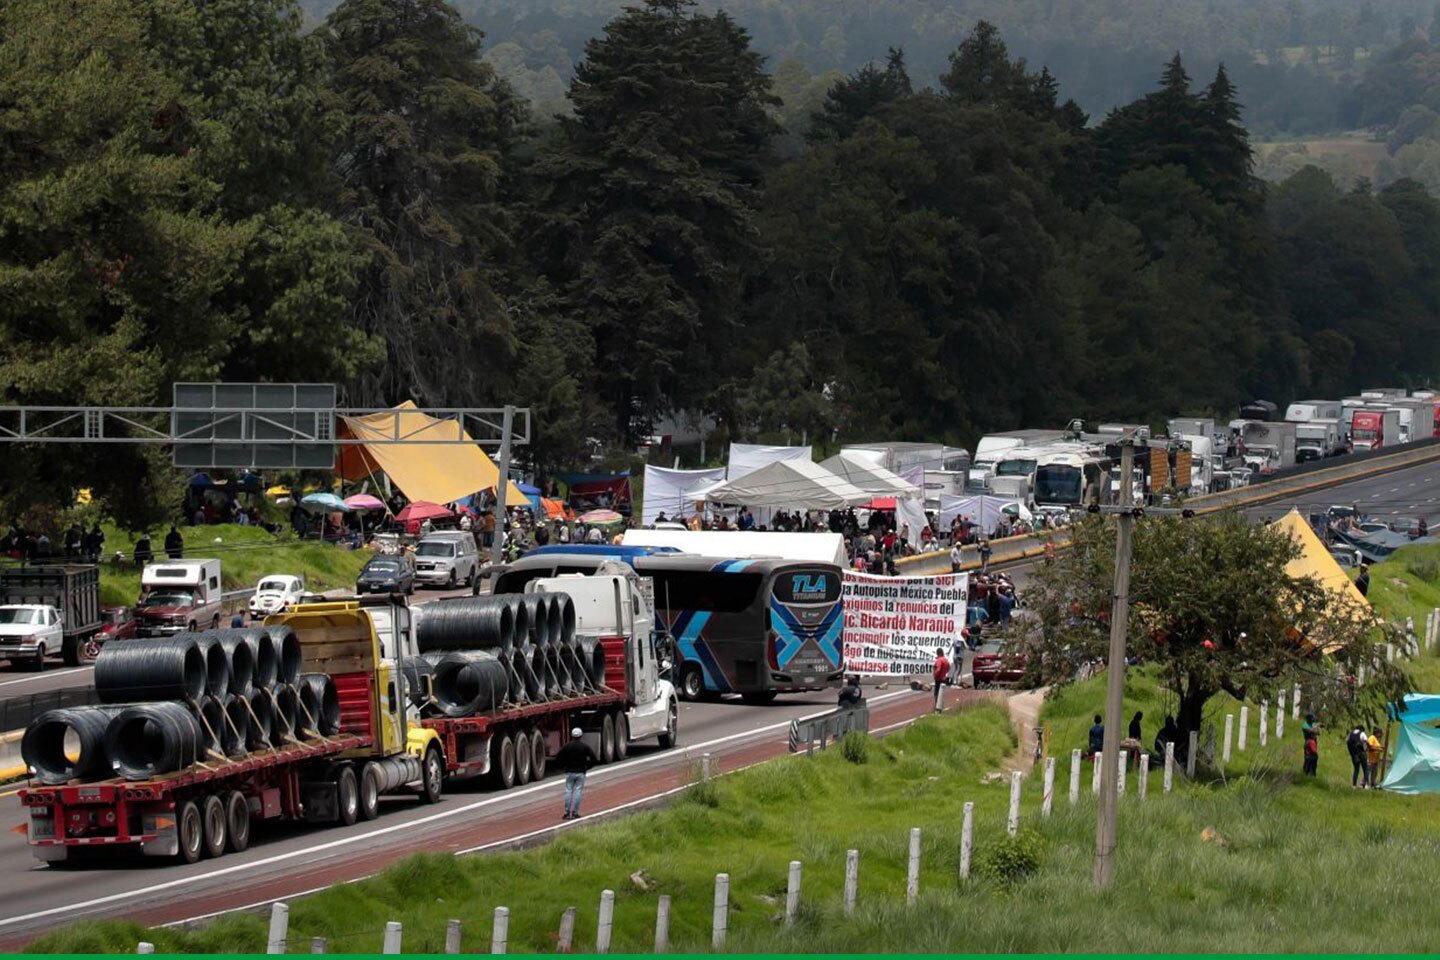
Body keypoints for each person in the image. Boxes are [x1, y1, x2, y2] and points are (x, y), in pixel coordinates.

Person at [557, 727, 598, 820]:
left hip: (569, 772)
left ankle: (567, 812)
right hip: (580, 772)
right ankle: (575, 812)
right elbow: (594, 759)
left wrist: (564, 767)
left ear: (572, 735)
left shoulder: (566, 746)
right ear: (581, 736)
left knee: (568, 791)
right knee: (578, 791)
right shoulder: (585, 747)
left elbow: (558, 758)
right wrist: (587, 767)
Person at [932, 648, 950, 713]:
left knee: (936, 693)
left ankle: (937, 707)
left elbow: (938, 669)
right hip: (943, 678)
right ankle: (940, 706)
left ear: (938, 653)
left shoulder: (939, 660)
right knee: (941, 693)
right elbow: (948, 667)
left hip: (938, 679)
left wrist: (935, 675)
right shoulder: (945, 660)